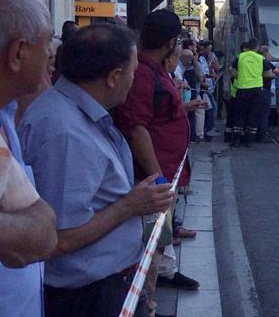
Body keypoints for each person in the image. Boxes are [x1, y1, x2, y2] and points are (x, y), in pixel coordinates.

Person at [20, 24, 173, 317]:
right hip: (85, 297)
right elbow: (59, 238)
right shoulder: (64, 133)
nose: (134, 80)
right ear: (114, 77)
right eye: (133, 71)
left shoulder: (77, 116)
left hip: (100, 287)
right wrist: (129, 205)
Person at [113, 10, 200, 300]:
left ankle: (158, 280)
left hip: (164, 177)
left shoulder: (153, 69)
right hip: (155, 181)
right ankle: (145, 299)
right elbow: (137, 127)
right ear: (171, 42)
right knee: (152, 240)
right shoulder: (143, 73)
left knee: (159, 239)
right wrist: (158, 178)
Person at [0, 0, 58, 316]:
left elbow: (43, 232)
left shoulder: (4, 115)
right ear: (18, 53)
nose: (52, 56)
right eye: (46, 44)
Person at [229, 39, 271, 147]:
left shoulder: (240, 57)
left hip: (242, 89)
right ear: (257, 47)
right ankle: (250, 141)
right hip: (256, 90)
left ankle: (236, 140)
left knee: (239, 114)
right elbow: (267, 74)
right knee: (253, 114)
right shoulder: (261, 58)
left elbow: (232, 71)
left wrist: (240, 75)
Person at [256, 46, 275, 142]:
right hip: (264, 90)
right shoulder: (265, 62)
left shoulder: (256, 60)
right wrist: (273, 75)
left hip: (255, 89)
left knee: (257, 113)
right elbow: (271, 74)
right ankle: (262, 135)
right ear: (266, 54)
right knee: (264, 113)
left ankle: (256, 133)